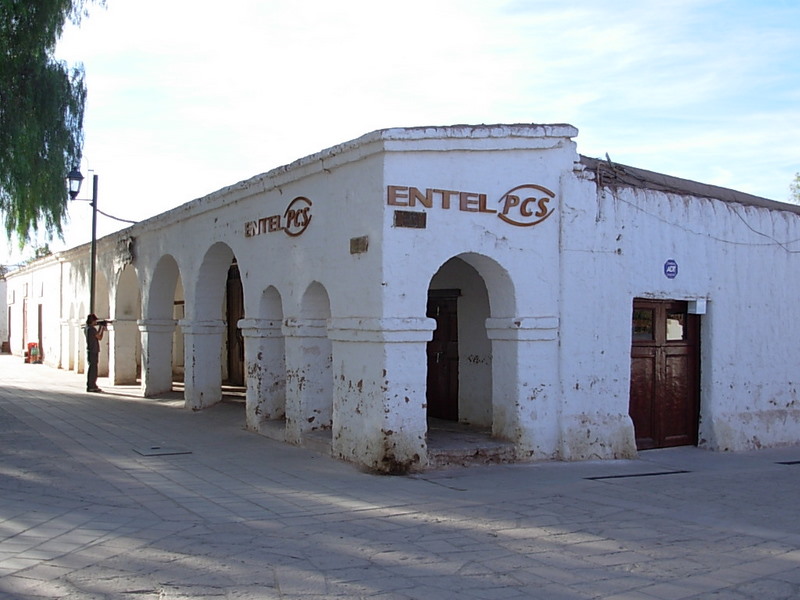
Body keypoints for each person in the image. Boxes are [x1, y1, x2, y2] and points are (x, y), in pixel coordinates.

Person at [85, 314, 106, 392]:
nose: (95, 322)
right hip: (94, 350)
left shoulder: (87, 328)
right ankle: (92, 385)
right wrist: (102, 328)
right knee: (93, 369)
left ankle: (91, 385)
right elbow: (99, 337)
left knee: (91, 368)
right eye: (95, 321)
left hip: (90, 350)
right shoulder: (92, 329)